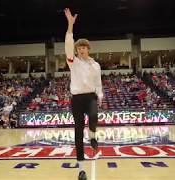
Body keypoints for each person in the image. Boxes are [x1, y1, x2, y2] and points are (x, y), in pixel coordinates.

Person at [64, 8, 103, 180]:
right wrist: (70, 25)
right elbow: (67, 45)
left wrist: (100, 96)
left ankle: (93, 136)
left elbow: (98, 84)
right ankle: (81, 169)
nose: (81, 50)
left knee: (94, 116)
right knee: (78, 132)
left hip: (91, 97)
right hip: (77, 99)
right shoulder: (73, 63)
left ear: (88, 49)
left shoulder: (96, 65)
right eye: (78, 47)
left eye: (83, 47)